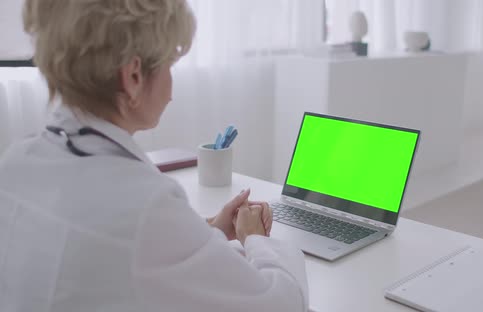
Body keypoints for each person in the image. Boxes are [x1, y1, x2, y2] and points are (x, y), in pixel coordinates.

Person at [0, 1, 308, 311]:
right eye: (169, 65)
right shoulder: (145, 206)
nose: (172, 90)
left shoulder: (16, 164)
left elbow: (107, 257)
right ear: (133, 76)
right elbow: (282, 304)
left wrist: (207, 231)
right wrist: (256, 240)